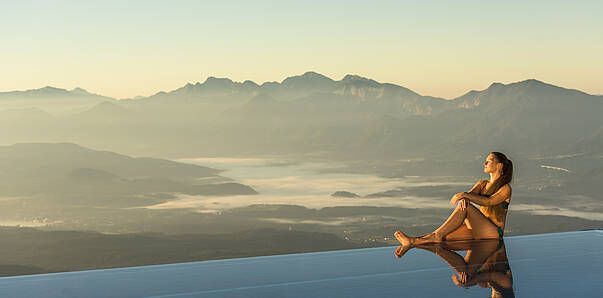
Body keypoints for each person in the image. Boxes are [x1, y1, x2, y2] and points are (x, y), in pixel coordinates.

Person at [394, 152, 513, 245]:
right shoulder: (482, 184)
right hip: (478, 228)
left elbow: (489, 201)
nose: (485, 163)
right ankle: (412, 241)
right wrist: (464, 197)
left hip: (493, 232)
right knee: (445, 235)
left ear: (499, 165)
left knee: (466, 207)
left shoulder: (505, 188)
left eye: (489, 161)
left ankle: (434, 237)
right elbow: (469, 195)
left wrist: (463, 195)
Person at [394, 239, 515, 298]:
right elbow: (489, 275)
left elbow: (485, 278)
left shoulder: (488, 285)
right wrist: (468, 282)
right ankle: (414, 243)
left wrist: (469, 281)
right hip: (488, 240)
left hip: (480, 245)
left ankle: (415, 244)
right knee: (465, 271)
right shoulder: (506, 283)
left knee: (465, 271)